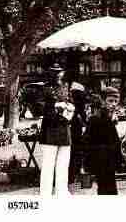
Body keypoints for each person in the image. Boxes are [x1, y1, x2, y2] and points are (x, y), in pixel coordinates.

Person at [39, 64, 74, 196]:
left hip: (64, 129)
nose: (58, 74)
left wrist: (70, 107)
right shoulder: (45, 88)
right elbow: (39, 107)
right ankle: (45, 194)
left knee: (63, 165)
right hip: (50, 130)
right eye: (55, 72)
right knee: (48, 165)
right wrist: (54, 106)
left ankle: (62, 192)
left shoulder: (66, 87)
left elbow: (71, 101)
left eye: (60, 72)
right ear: (51, 74)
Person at [85, 88, 125, 195]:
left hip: (109, 160)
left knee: (110, 188)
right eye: (110, 101)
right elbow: (88, 141)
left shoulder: (109, 117)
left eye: (116, 101)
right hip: (101, 160)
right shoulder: (96, 118)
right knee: (105, 188)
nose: (113, 104)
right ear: (103, 101)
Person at [68, 82, 89, 188]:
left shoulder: (75, 103)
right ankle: (75, 173)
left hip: (75, 130)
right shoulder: (79, 104)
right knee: (76, 152)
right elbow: (83, 118)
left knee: (74, 153)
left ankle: (73, 175)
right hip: (76, 131)